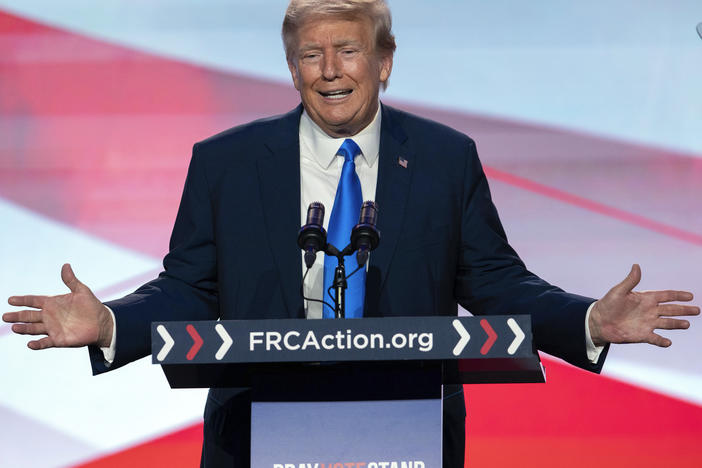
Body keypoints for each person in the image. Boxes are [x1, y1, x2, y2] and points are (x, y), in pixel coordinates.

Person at [3, 1, 699, 467]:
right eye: (311, 54)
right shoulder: (227, 161)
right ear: (292, 67)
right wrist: (109, 325)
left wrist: (587, 319)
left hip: (410, 430)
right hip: (255, 433)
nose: (330, 71)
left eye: (348, 51)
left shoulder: (443, 157)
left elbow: (493, 281)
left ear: (385, 60)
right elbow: (189, 287)